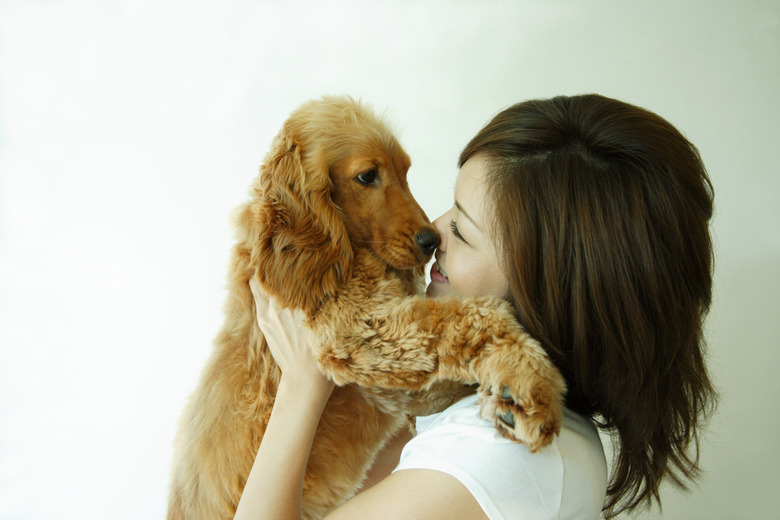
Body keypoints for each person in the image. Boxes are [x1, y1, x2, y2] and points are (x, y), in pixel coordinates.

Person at [234, 94, 717, 520]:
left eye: (463, 231)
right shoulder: (510, 428)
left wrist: (302, 385)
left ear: (547, 285)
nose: (433, 230)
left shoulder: (494, 459)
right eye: (451, 206)